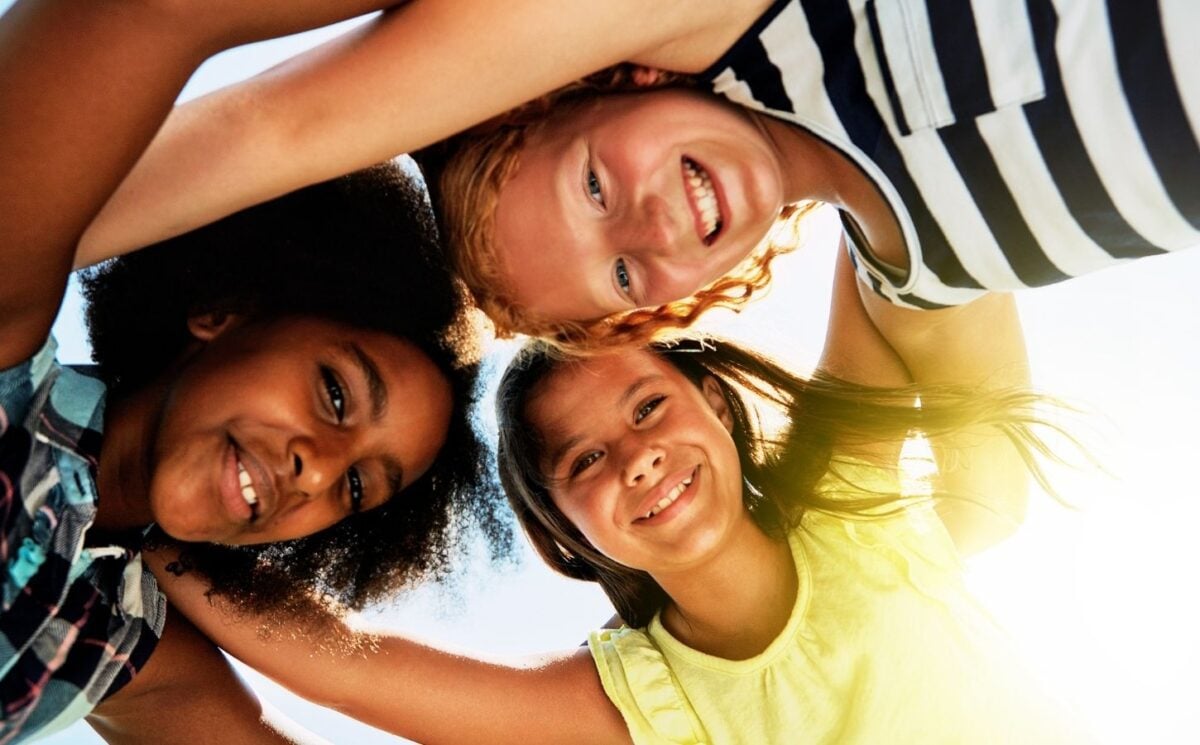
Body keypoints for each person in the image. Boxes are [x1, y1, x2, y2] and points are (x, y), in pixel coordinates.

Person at [150, 253, 1087, 743]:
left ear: (714, 404)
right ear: (565, 535)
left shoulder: (846, 497)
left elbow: (899, 249)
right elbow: (351, 667)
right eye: (586, 460)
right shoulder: (650, 702)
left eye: (649, 407)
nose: (638, 458)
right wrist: (153, 531)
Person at [76, 0, 1198, 347]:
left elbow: (282, 124)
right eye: (621, 275)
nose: (655, 228)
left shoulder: (737, 17)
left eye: (594, 189)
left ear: (597, 83)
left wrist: (32, 241)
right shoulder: (924, 273)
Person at [0, 3, 502, 741]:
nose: (318, 471)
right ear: (225, 308)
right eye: (335, 393)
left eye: (357, 487)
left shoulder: (107, 634)